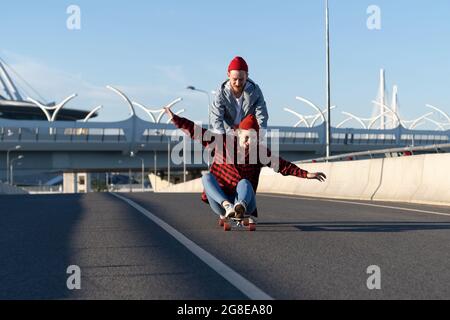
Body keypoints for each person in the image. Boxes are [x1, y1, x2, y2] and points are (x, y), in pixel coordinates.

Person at [164, 106, 326, 227]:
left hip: (246, 202)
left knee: (244, 182)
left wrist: (306, 174)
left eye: (254, 139)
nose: (250, 142)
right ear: (238, 134)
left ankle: (239, 207)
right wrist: (176, 119)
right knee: (206, 177)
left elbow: (282, 165)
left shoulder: (260, 152)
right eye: (247, 138)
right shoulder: (223, 142)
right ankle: (228, 207)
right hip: (221, 203)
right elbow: (197, 132)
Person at [211, 56, 269, 134]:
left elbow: (261, 112)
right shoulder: (221, 92)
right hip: (228, 133)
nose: (238, 83)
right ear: (228, 75)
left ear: (247, 76)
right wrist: (221, 135)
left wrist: (261, 132)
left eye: (241, 79)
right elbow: (216, 116)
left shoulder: (255, 91)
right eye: (234, 79)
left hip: (247, 134)